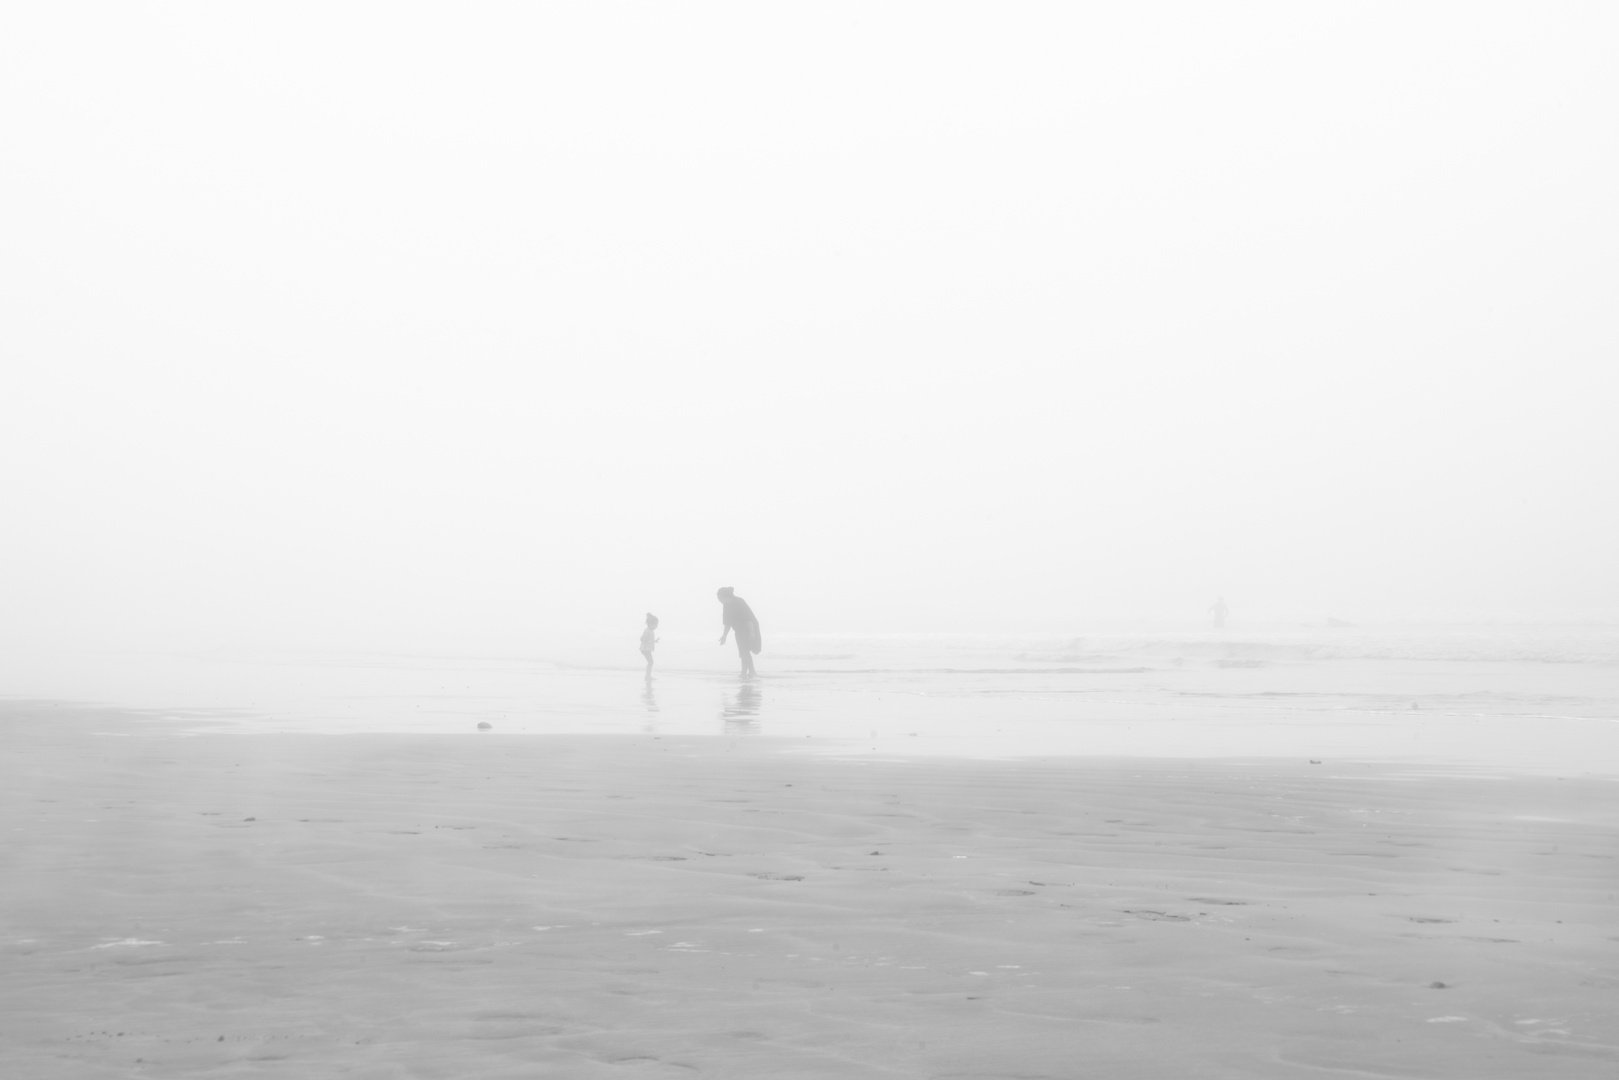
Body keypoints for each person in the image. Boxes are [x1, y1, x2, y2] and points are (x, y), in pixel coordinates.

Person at [716, 586, 761, 676]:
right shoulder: (726, 605)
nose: (719, 600)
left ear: (727, 597)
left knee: (745, 650)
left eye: (720, 598)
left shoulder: (739, 602)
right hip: (739, 629)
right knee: (742, 650)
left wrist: (752, 632)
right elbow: (727, 622)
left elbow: (748, 618)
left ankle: (750, 671)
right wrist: (724, 636)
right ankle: (745, 671)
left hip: (750, 626)